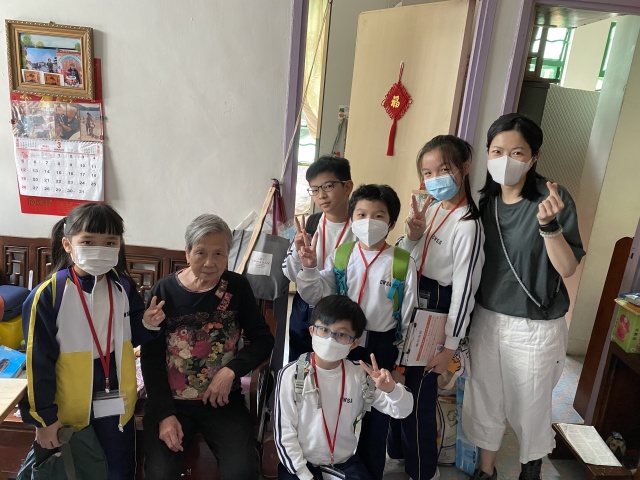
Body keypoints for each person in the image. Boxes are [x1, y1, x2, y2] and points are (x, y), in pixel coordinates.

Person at [461, 113, 585, 480]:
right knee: (485, 397)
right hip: (487, 318)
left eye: (517, 152)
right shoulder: (484, 203)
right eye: (497, 151)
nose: (506, 159)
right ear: (487, 153)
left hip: (535, 326)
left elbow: (567, 268)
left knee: (530, 404)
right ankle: (486, 470)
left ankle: (530, 468)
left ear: (533, 158)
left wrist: (549, 226)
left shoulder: (552, 199)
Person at [20, 203, 166, 479]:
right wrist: (44, 419)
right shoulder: (49, 294)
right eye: (88, 241)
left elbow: (132, 334)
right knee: (75, 469)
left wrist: (148, 323)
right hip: (68, 402)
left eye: (109, 242)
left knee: (118, 467)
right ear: (67, 244)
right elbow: (37, 363)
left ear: (119, 245)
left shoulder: (123, 286)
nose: (100, 249)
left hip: (115, 391)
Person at [296, 184, 419, 480]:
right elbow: (318, 295)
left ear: (391, 223)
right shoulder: (343, 254)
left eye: (378, 215)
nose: (368, 221)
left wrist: (401, 366)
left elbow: (410, 319)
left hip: (381, 346)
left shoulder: (402, 262)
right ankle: (332, 465)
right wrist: (309, 269)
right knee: (336, 406)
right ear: (352, 219)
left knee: (377, 419)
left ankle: (370, 472)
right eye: (361, 214)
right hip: (342, 342)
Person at [140, 213, 275, 480]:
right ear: (187, 252)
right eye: (201, 252)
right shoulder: (165, 290)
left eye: (219, 253)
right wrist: (165, 414)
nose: (210, 263)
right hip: (171, 402)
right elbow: (151, 355)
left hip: (221, 402)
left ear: (228, 255)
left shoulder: (237, 287)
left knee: (242, 471)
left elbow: (263, 339)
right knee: (159, 473)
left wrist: (231, 372)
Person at [388, 135, 485, 480]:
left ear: (465, 167)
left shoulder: (468, 225)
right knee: (397, 383)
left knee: (419, 395)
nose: (434, 179)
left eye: (443, 170)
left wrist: (449, 346)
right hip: (413, 300)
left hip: (438, 310)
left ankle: (422, 471)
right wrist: (413, 235)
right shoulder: (430, 208)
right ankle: (398, 453)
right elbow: (404, 258)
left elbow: (465, 291)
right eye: (427, 173)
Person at [275, 295, 413, 480]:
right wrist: (305, 475)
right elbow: (284, 433)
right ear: (312, 331)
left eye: (341, 334)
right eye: (324, 330)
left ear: (354, 343)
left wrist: (391, 390)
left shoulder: (360, 375)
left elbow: (403, 411)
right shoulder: (291, 374)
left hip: (344, 463)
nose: (330, 339)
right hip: (300, 465)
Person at [282, 155, 355, 361]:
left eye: (328, 186)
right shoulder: (309, 225)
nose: (321, 195)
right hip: (306, 308)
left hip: (341, 309)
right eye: (314, 189)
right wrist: (298, 253)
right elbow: (289, 273)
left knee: (337, 366)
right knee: (300, 363)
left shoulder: (359, 230)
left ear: (347, 187)